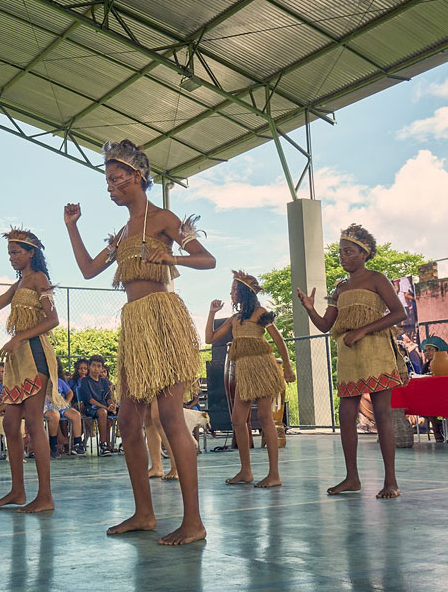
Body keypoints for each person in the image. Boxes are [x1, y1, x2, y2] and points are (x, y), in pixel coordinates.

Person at [64, 139, 215, 545]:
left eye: (116, 179)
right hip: (134, 327)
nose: (110, 187)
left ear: (137, 176)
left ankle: (194, 521)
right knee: (129, 422)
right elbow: (89, 269)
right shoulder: (124, 231)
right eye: (107, 182)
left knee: (169, 417)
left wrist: (174, 258)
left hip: (163, 321)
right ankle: (144, 513)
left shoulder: (164, 218)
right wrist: (72, 226)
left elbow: (207, 259)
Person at [297, 224, 408, 499]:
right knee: (346, 416)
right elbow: (325, 325)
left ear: (364, 253)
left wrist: (363, 329)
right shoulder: (340, 289)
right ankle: (352, 478)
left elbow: (398, 313)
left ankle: (391, 481)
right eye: (340, 253)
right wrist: (310, 309)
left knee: (382, 414)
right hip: (348, 356)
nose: (342, 257)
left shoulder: (376, 278)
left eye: (348, 252)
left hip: (376, 350)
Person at [0, 230, 64, 511]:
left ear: (31, 253)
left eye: (16, 252)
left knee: (34, 423)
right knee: (11, 424)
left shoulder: (39, 279)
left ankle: (45, 496)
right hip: (18, 359)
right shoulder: (19, 283)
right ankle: (17, 491)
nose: (12, 258)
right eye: (10, 253)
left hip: (35, 356)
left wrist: (19, 337)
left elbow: (53, 319)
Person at [205, 270, 294, 488]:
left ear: (245, 292)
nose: (231, 292)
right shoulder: (236, 319)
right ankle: (246, 471)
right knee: (237, 420)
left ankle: (274, 474)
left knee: (265, 418)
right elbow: (210, 339)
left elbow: (280, 342)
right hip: (243, 371)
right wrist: (211, 313)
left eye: (235, 289)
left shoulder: (261, 313)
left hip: (263, 368)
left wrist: (288, 368)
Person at [78, 356, 118, 455]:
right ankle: (103, 445)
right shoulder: (85, 381)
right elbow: (90, 400)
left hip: (104, 406)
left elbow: (108, 397)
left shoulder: (104, 381)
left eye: (99, 366)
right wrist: (106, 407)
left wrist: (112, 405)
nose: (96, 369)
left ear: (102, 368)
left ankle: (125, 443)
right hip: (90, 408)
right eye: (94, 366)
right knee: (103, 412)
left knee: (124, 411)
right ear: (89, 366)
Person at [419, 336, 448, 442]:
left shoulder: (446, 363)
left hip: (445, 395)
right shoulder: (425, 366)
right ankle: (437, 426)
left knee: (431, 404)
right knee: (427, 404)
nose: (427, 353)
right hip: (429, 396)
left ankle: (437, 429)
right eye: (425, 350)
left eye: (430, 350)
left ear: (438, 351)